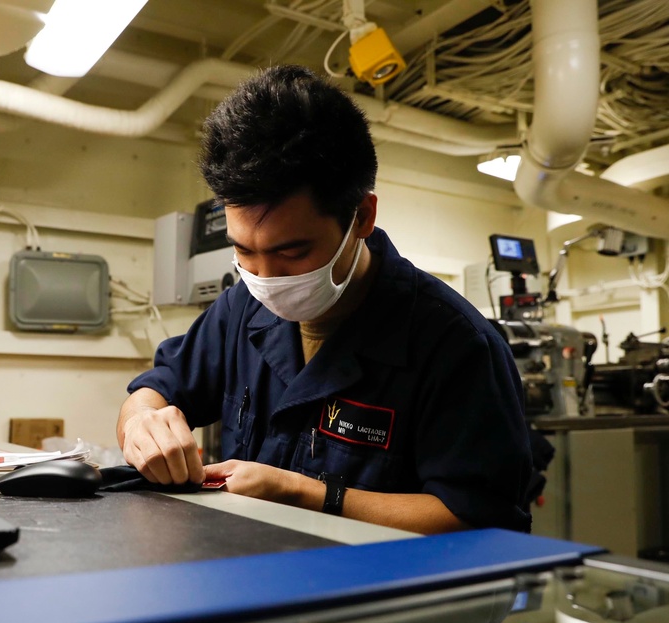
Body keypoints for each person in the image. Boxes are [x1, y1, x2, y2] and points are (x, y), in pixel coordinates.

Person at [117, 65, 532, 534]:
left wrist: (305, 494)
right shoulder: (240, 309)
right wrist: (142, 423)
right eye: (243, 250)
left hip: (384, 599)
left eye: (292, 252)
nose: (266, 278)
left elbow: (481, 519)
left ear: (362, 216)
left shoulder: (456, 345)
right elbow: (158, 386)